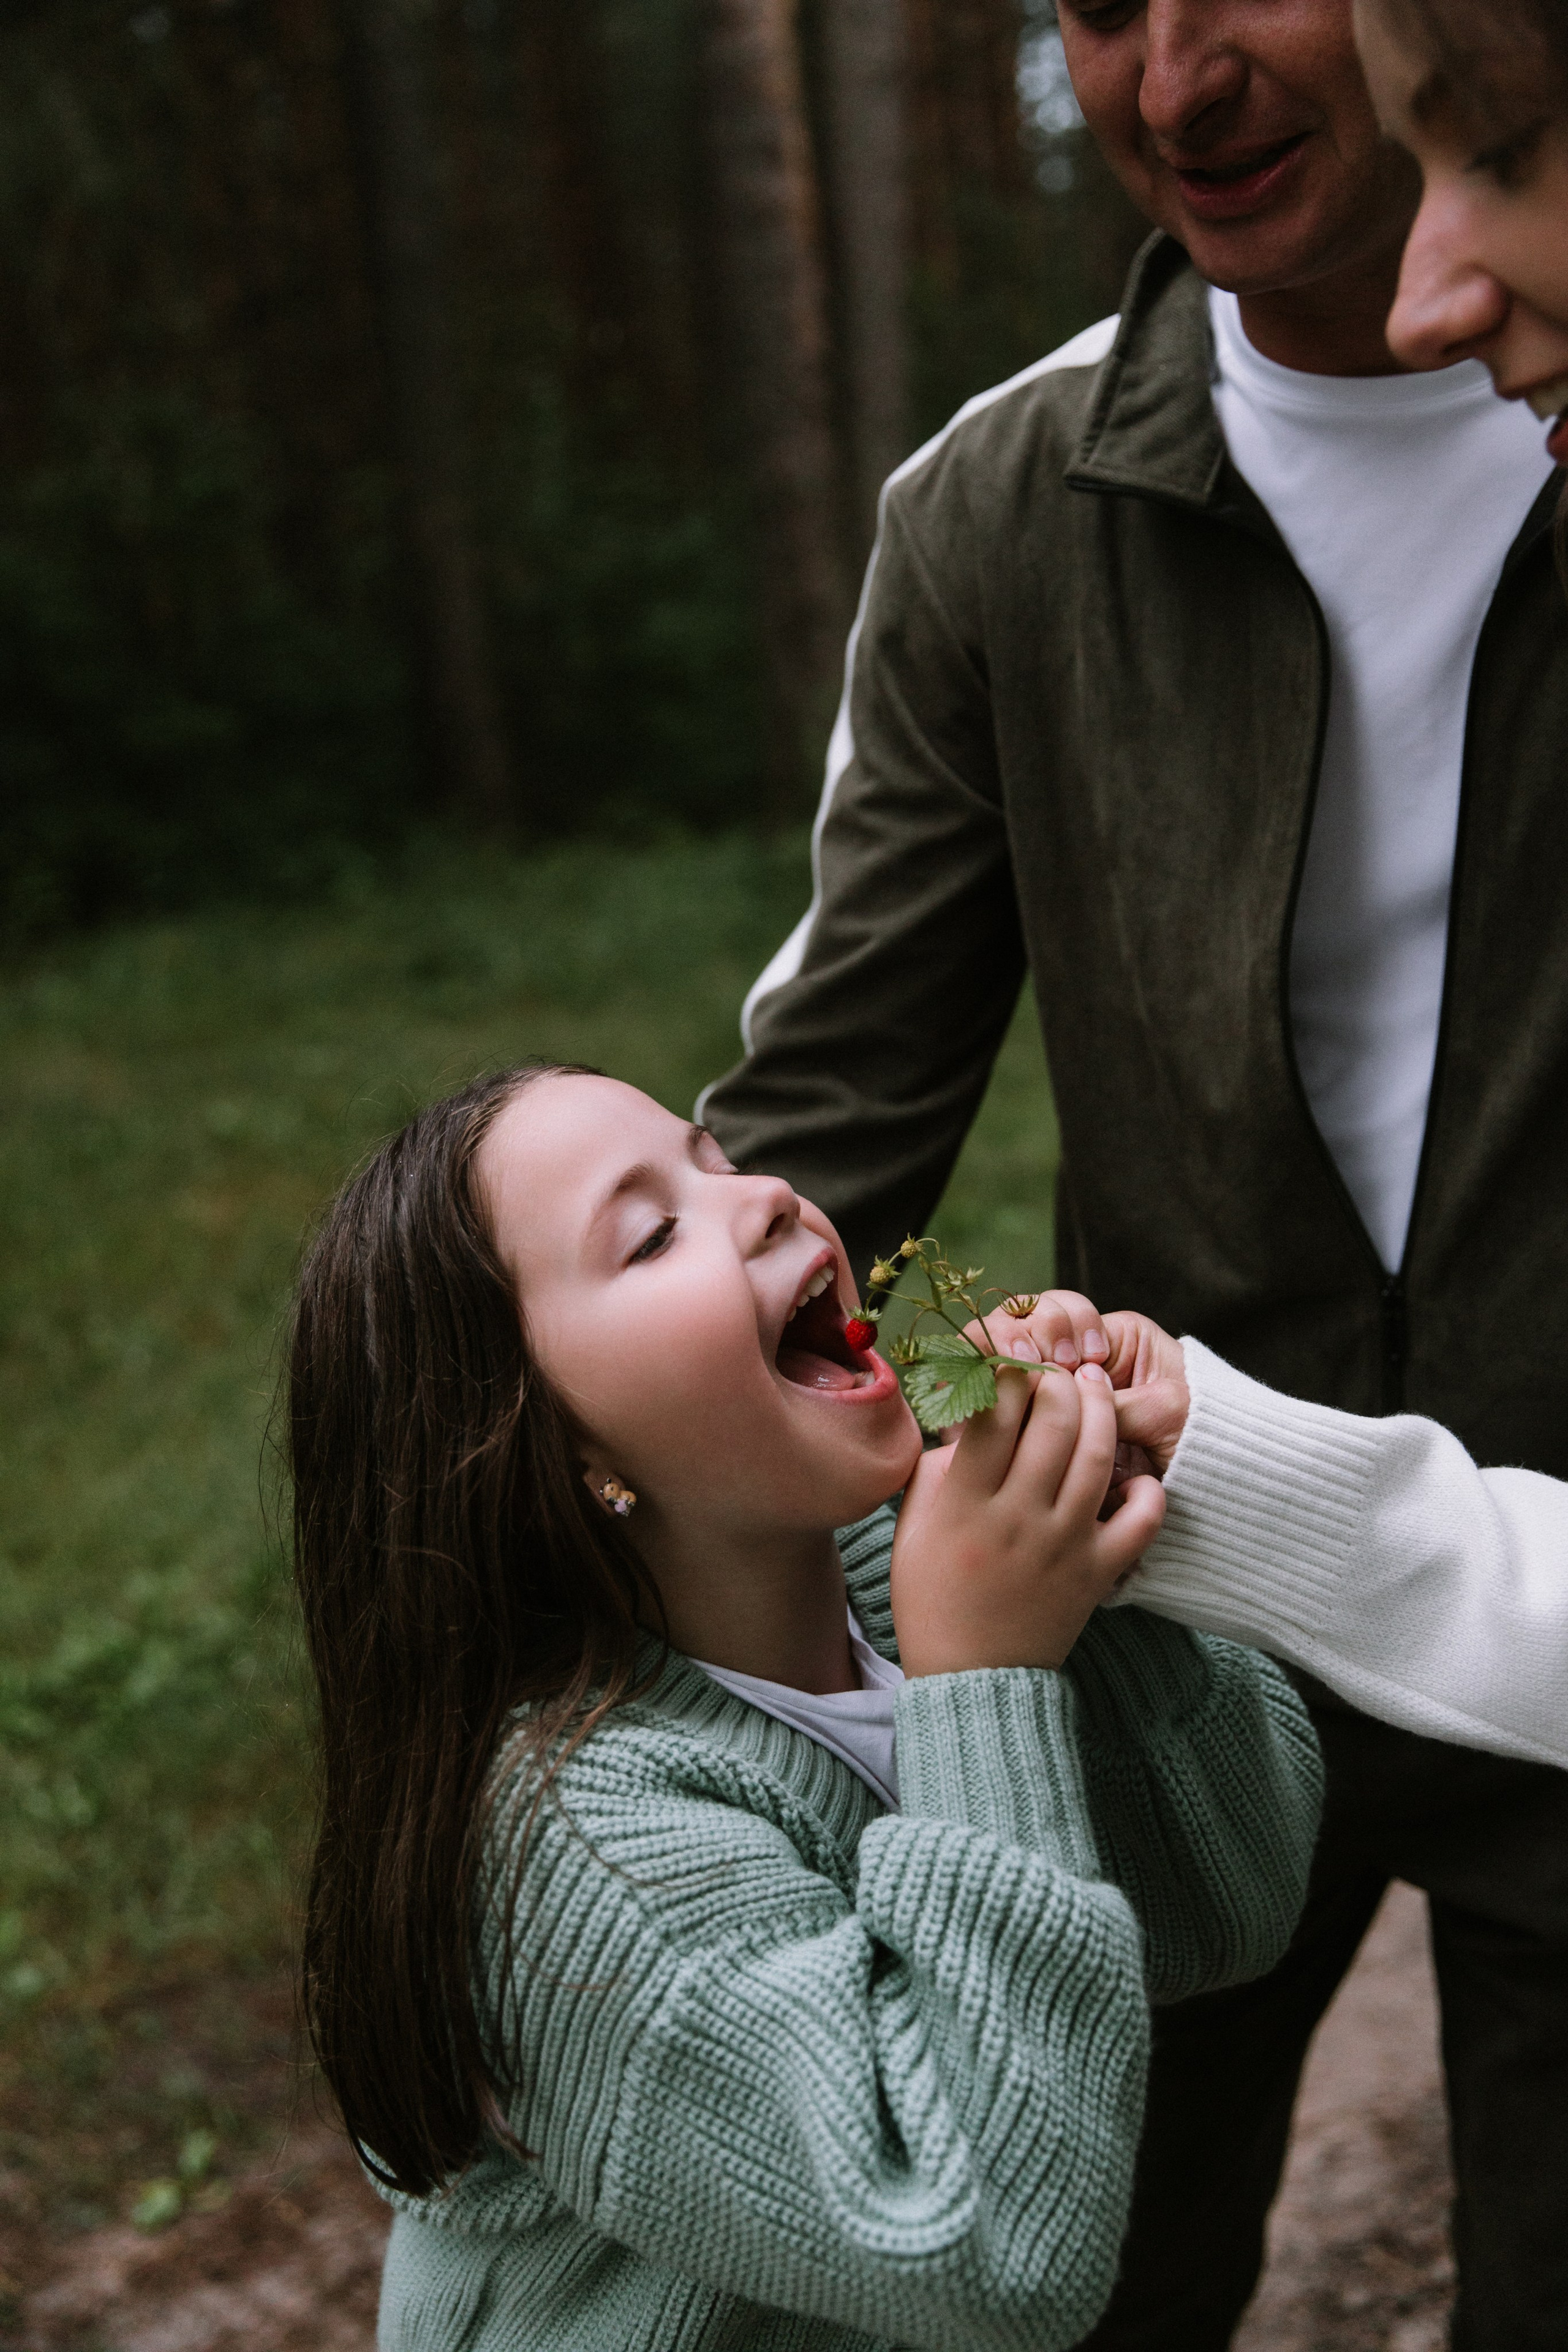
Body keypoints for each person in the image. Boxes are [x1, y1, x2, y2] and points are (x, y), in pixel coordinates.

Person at [696, 0, 1568, 2342]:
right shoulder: (1003, 504)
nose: (1167, 82)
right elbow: (821, 1130)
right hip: (1155, 1632)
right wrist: (553, 1573)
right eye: (1097, 6)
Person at [286, 1064, 1321, 2352]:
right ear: (559, 1456)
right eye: (652, 1232)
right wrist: (987, 1677)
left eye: (718, 1158)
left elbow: (1229, 1904)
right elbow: (997, 2250)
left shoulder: (890, 1592)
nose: (765, 1197)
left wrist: (1087, 1572)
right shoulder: (576, 1855)